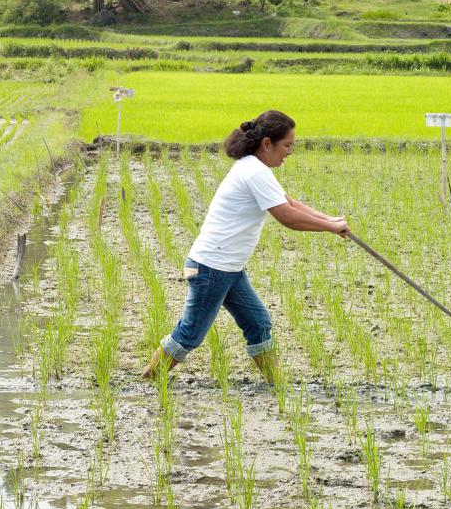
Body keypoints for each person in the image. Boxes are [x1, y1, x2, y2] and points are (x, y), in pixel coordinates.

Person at [141, 110, 349, 384]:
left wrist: (329, 219)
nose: (290, 152)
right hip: (212, 267)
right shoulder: (253, 172)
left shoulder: (255, 168)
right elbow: (286, 217)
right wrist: (329, 228)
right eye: (287, 145)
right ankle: (147, 382)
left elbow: (291, 203)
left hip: (228, 268)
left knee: (258, 322)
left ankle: (278, 385)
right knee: (190, 333)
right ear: (267, 143)